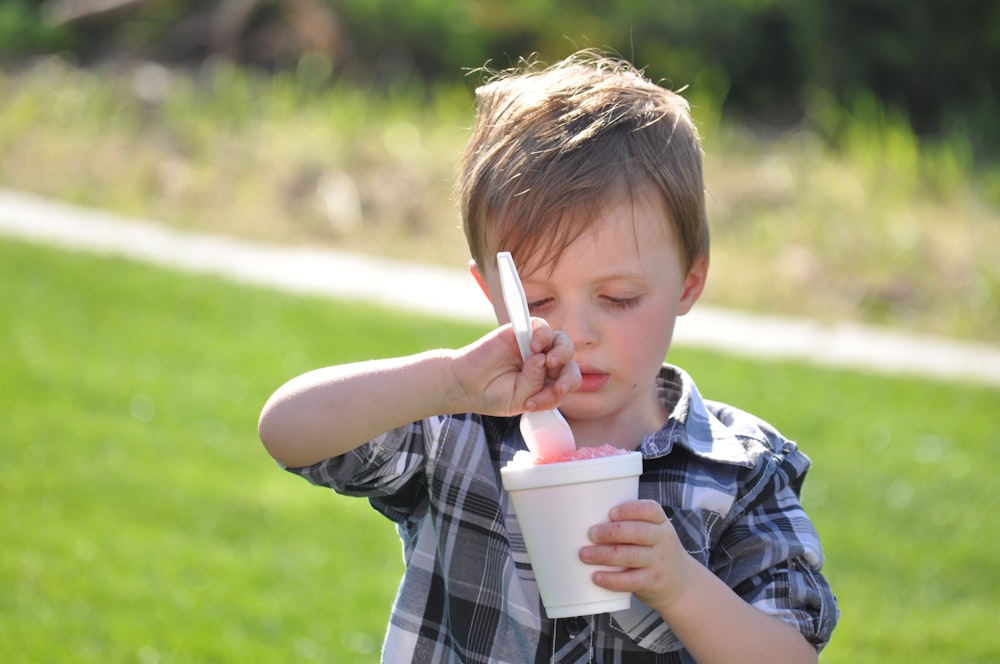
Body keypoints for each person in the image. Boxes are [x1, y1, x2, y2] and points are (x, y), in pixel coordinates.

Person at [258, 50, 838, 663]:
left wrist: (681, 585)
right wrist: (448, 380)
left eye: (618, 299)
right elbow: (288, 433)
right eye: (537, 299)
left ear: (689, 283)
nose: (576, 333)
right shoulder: (458, 428)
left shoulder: (738, 470)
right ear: (491, 292)